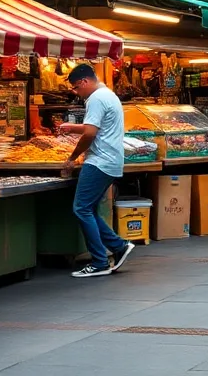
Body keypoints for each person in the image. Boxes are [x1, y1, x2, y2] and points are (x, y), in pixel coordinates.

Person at [59, 63, 134, 278]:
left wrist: (72, 157)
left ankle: (100, 261)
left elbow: (90, 134)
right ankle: (118, 246)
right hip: (110, 160)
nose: (76, 92)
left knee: (81, 209)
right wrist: (73, 128)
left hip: (99, 162)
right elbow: (96, 127)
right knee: (88, 208)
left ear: (84, 81)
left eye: (76, 87)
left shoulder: (96, 99)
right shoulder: (108, 95)